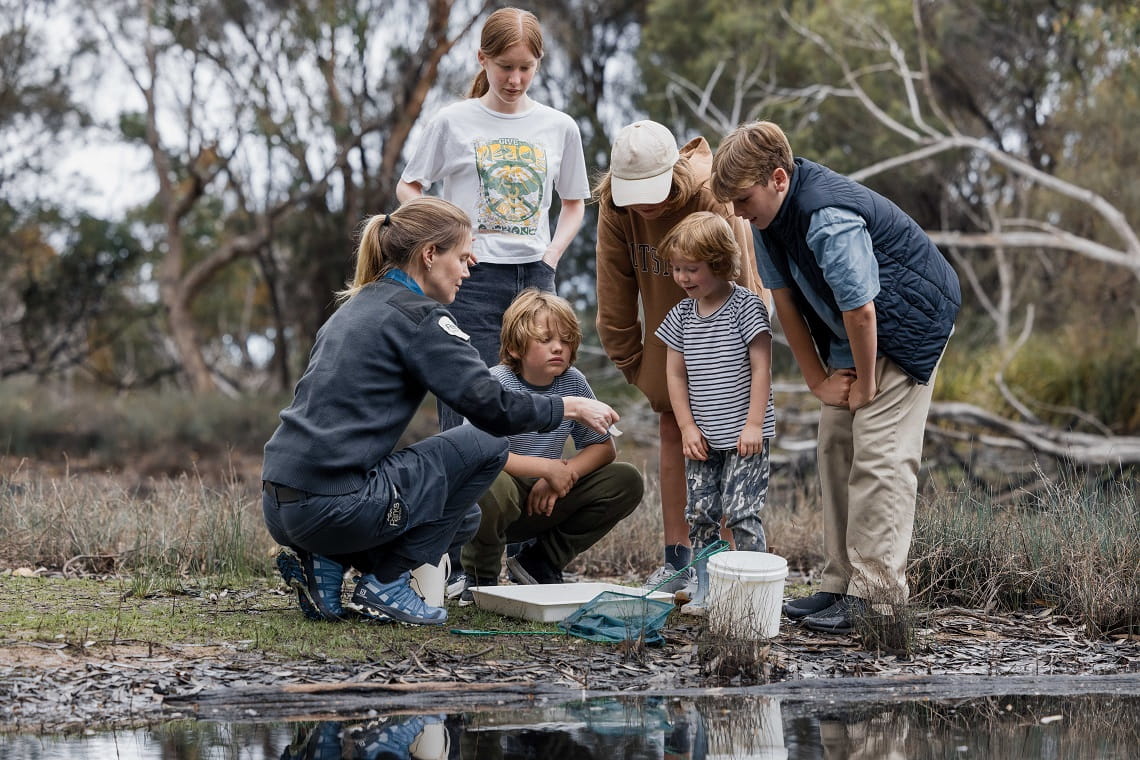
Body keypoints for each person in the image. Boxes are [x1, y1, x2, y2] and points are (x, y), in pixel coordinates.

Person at [261, 197, 619, 627]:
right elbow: (492, 407)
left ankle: (327, 562)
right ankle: (386, 582)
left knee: (465, 514)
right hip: (335, 505)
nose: (469, 271)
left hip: (280, 503)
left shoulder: (354, 308)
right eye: (464, 258)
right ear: (430, 255)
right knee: (483, 446)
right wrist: (570, 406)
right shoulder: (420, 319)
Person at [710, 120, 961, 633]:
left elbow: (863, 310)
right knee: (834, 446)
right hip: (853, 333)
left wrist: (866, 384)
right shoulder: (766, 226)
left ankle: (877, 597)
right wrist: (818, 381)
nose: (736, 211)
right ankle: (839, 583)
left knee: (879, 454)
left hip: (904, 326)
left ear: (778, 178)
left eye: (742, 197)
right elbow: (784, 304)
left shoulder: (826, 217)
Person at [594, 119, 767, 598]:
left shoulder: (709, 194)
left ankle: (729, 568)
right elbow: (614, 290)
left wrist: (741, 356)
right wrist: (636, 365)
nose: (645, 203)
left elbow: (745, 274)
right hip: (668, 338)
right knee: (673, 430)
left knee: (728, 440)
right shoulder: (615, 207)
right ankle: (678, 561)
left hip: (726, 335)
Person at [396, 6, 590, 432]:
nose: (515, 79)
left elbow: (574, 203)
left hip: (536, 278)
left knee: (539, 397)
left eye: (526, 67)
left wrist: (551, 257)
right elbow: (410, 187)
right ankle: (465, 499)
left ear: (539, 63)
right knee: (468, 402)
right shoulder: (452, 121)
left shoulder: (559, 127)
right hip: (470, 281)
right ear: (482, 59)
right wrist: (445, 243)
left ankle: (532, 491)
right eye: (505, 67)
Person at [458, 289, 644, 601]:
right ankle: (480, 576)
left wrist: (562, 474)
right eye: (545, 340)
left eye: (566, 339)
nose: (558, 347)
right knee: (490, 483)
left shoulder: (573, 382)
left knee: (626, 480)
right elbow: (478, 452)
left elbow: (604, 447)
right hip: (497, 499)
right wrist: (546, 468)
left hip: (546, 500)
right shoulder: (497, 382)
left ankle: (540, 562)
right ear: (517, 347)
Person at [655, 211, 775, 614]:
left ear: (721, 263)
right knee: (702, 513)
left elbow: (762, 367)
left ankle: (754, 594)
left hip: (745, 436)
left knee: (741, 512)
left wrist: (754, 424)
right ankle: (708, 592)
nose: (684, 278)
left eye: (692, 268)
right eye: (676, 269)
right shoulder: (681, 317)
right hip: (702, 438)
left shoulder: (747, 308)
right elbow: (675, 374)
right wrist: (687, 427)